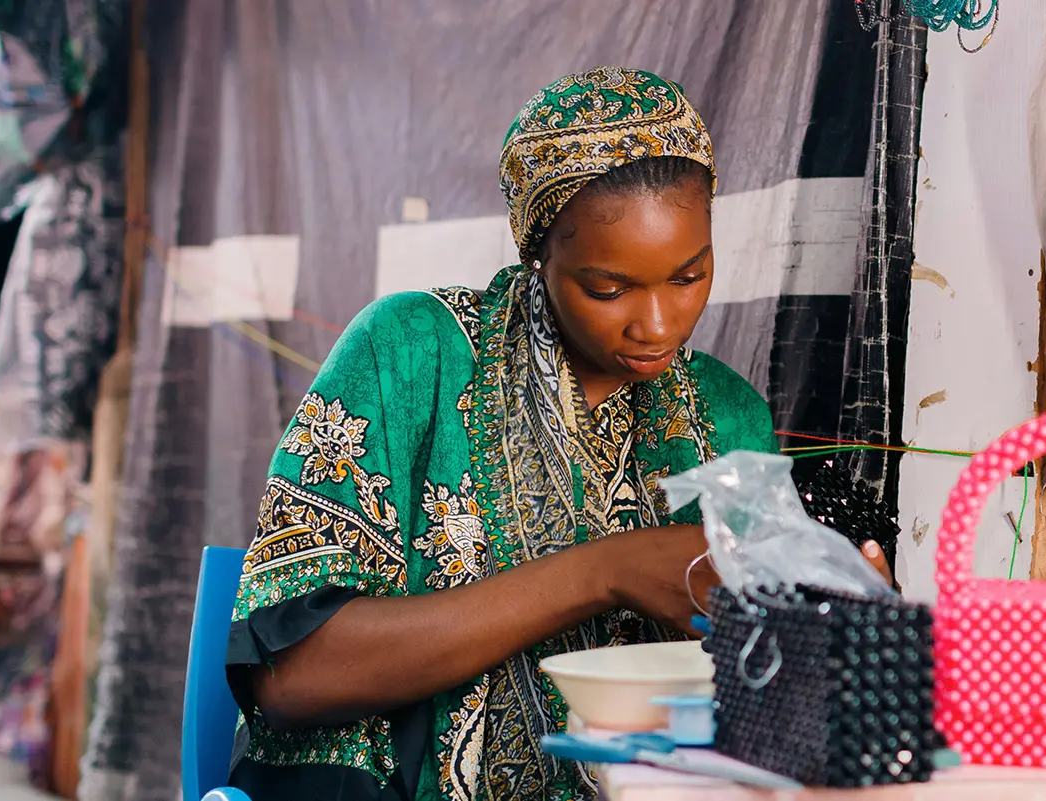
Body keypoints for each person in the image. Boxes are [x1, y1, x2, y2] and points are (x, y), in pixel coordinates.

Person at [225, 68, 890, 801]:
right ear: (537, 257)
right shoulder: (413, 352)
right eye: (608, 289)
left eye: (688, 275)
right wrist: (604, 570)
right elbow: (292, 677)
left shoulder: (725, 415)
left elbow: (756, 689)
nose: (658, 325)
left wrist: (838, 627)